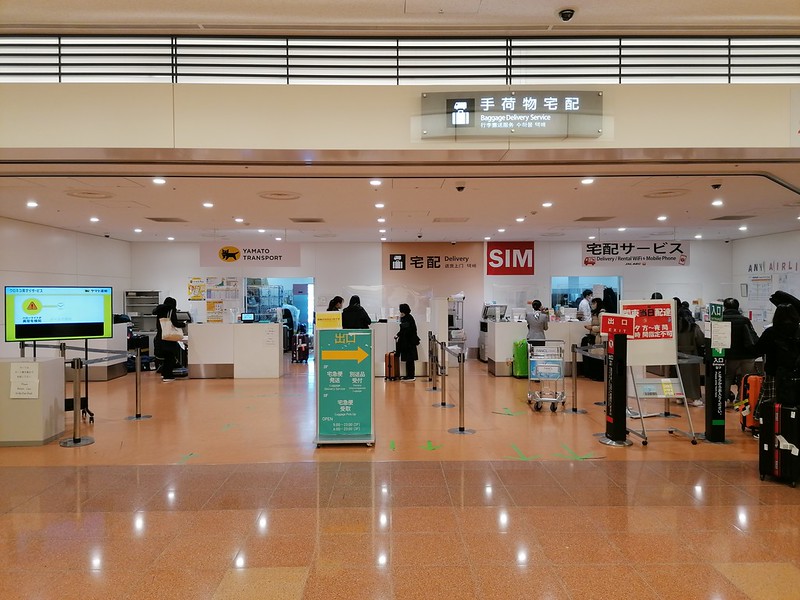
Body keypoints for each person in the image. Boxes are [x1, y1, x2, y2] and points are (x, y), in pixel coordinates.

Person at [744, 303, 800, 410]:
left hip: (774, 373)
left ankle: (771, 423)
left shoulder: (771, 332)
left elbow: (758, 350)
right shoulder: (798, 331)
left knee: (772, 403)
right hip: (796, 374)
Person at [722, 297, 758, 403]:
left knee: (728, 376)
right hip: (747, 355)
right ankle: (740, 401)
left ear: (725, 307)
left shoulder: (721, 320)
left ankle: (724, 399)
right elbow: (752, 336)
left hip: (731, 355)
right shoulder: (744, 320)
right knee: (745, 378)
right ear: (738, 307)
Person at [675, 298, 705, 407]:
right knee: (692, 378)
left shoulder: (674, 326)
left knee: (678, 376)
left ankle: (679, 397)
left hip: (676, 354)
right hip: (691, 354)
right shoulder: (693, 326)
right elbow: (701, 339)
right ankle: (695, 398)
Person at [153, 296, 186, 383]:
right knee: (170, 356)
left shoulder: (159, 310)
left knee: (166, 357)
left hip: (160, 336)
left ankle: (164, 374)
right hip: (168, 337)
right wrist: (183, 324)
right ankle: (168, 376)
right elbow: (175, 323)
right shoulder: (171, 310)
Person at [395, 303, 419, 381]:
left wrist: (398, 335)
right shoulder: (408, 317)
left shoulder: (407, 318)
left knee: (409, 359)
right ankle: (409, 375)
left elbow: (405, 330)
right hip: (409, 342)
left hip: (409, 342)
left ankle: (410, 375)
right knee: (409, 359)